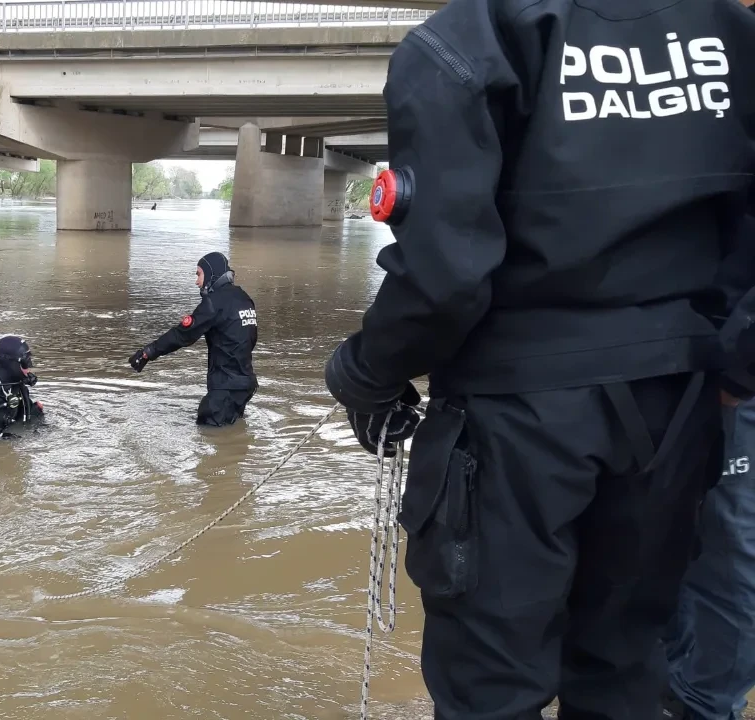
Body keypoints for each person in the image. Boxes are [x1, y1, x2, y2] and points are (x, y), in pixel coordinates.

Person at [321, 1, 755, 718]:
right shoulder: (733, 36)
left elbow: (443, 276)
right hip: (678, 404)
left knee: (491, 688)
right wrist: (737, 371)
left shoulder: (469, 39)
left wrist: (367, 372)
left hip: (515, 416)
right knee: (623, 665)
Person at [663, 396, 755, 720]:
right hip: (669, 378)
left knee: (733, 561)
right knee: (667, 542)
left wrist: (739, 378)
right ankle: (676, 690)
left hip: (733, 382)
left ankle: (704, 704)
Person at [127, 252, 258, 427]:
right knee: (231, 437)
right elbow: (251, 339)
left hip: (224, 388)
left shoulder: (214, 302)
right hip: (245, 385)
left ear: (211, 274)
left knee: (207, 436)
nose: (197, 282)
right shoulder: (244, 298)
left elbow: (182, 335)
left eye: (199, 274)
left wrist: (147, 352)